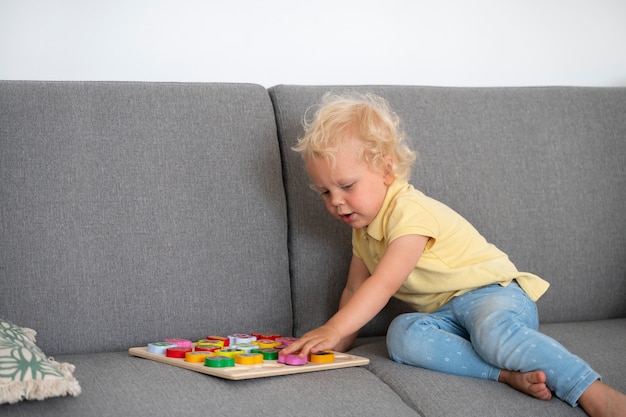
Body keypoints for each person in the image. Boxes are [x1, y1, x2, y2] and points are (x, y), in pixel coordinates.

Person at [280, 93, 626, 417]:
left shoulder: (409, 213)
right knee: (401, 335)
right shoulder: (363, 231)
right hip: (448, 317)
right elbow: (355, 292)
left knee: (491, 333)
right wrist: (330, 349)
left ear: (386, 171)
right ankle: (504, 374)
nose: (336, 201)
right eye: (325, 191)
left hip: (495, 296)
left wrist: (331, 328)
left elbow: (382, 285)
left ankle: (590, 390)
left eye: (347, 186)